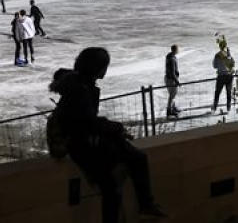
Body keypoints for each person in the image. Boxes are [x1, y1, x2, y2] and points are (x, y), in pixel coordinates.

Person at [48, 47, 167, 222]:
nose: (106, 70)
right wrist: (116, 127)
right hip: (80, 145)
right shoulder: (79, 89)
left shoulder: (81, 84)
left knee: (136, 159)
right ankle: (146, 205)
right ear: (97, 68)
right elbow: (86, 122)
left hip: (88, 139)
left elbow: (88, 121)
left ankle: (146, 204)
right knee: (112, 189)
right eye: (105, 66)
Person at [212, 42, 235, 113]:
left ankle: (214, 108)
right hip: (229, 76)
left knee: (217, 92)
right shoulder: (228, 54)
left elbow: (215, 66)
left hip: (221, 76)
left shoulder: (217, 55)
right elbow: (233, 64)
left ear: (219, 46)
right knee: (228, 92)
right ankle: (228, 108)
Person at [165, 45, 180, 118]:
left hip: (168, 78)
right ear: (175, 50)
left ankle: (173, 108)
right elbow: (172, 72)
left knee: (172, 95)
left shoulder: (170, 55)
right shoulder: (172, 59)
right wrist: (177, 81)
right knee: (172, 95)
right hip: (171, 79)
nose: (179, 50)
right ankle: (169, 111)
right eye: (178, 49)